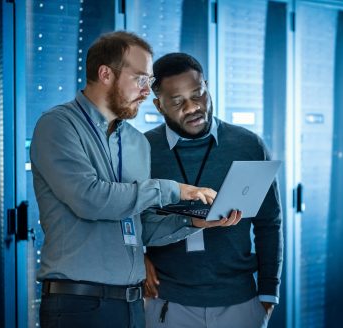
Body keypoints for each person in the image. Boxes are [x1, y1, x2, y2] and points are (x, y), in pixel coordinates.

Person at [30, 32, 241, 328]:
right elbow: (90, 200)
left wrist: (193, 223)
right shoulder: (58, 126)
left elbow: (141, 228)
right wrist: (174, 189)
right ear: (105, 74)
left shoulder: (135, 142)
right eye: (140, 79)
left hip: (131, 305)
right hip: (79, 304)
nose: (147, 92)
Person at [143, 53, 283, 328]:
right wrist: (139, 257)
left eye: (198, 94)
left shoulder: (247, 145)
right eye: (177, 101)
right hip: (168, 304)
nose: (193, 107)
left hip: (239, 304)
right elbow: (127, 219)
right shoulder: (144, 151)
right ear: (159, 106)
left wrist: (268, 294)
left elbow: (269, 224)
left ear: (207, 86)